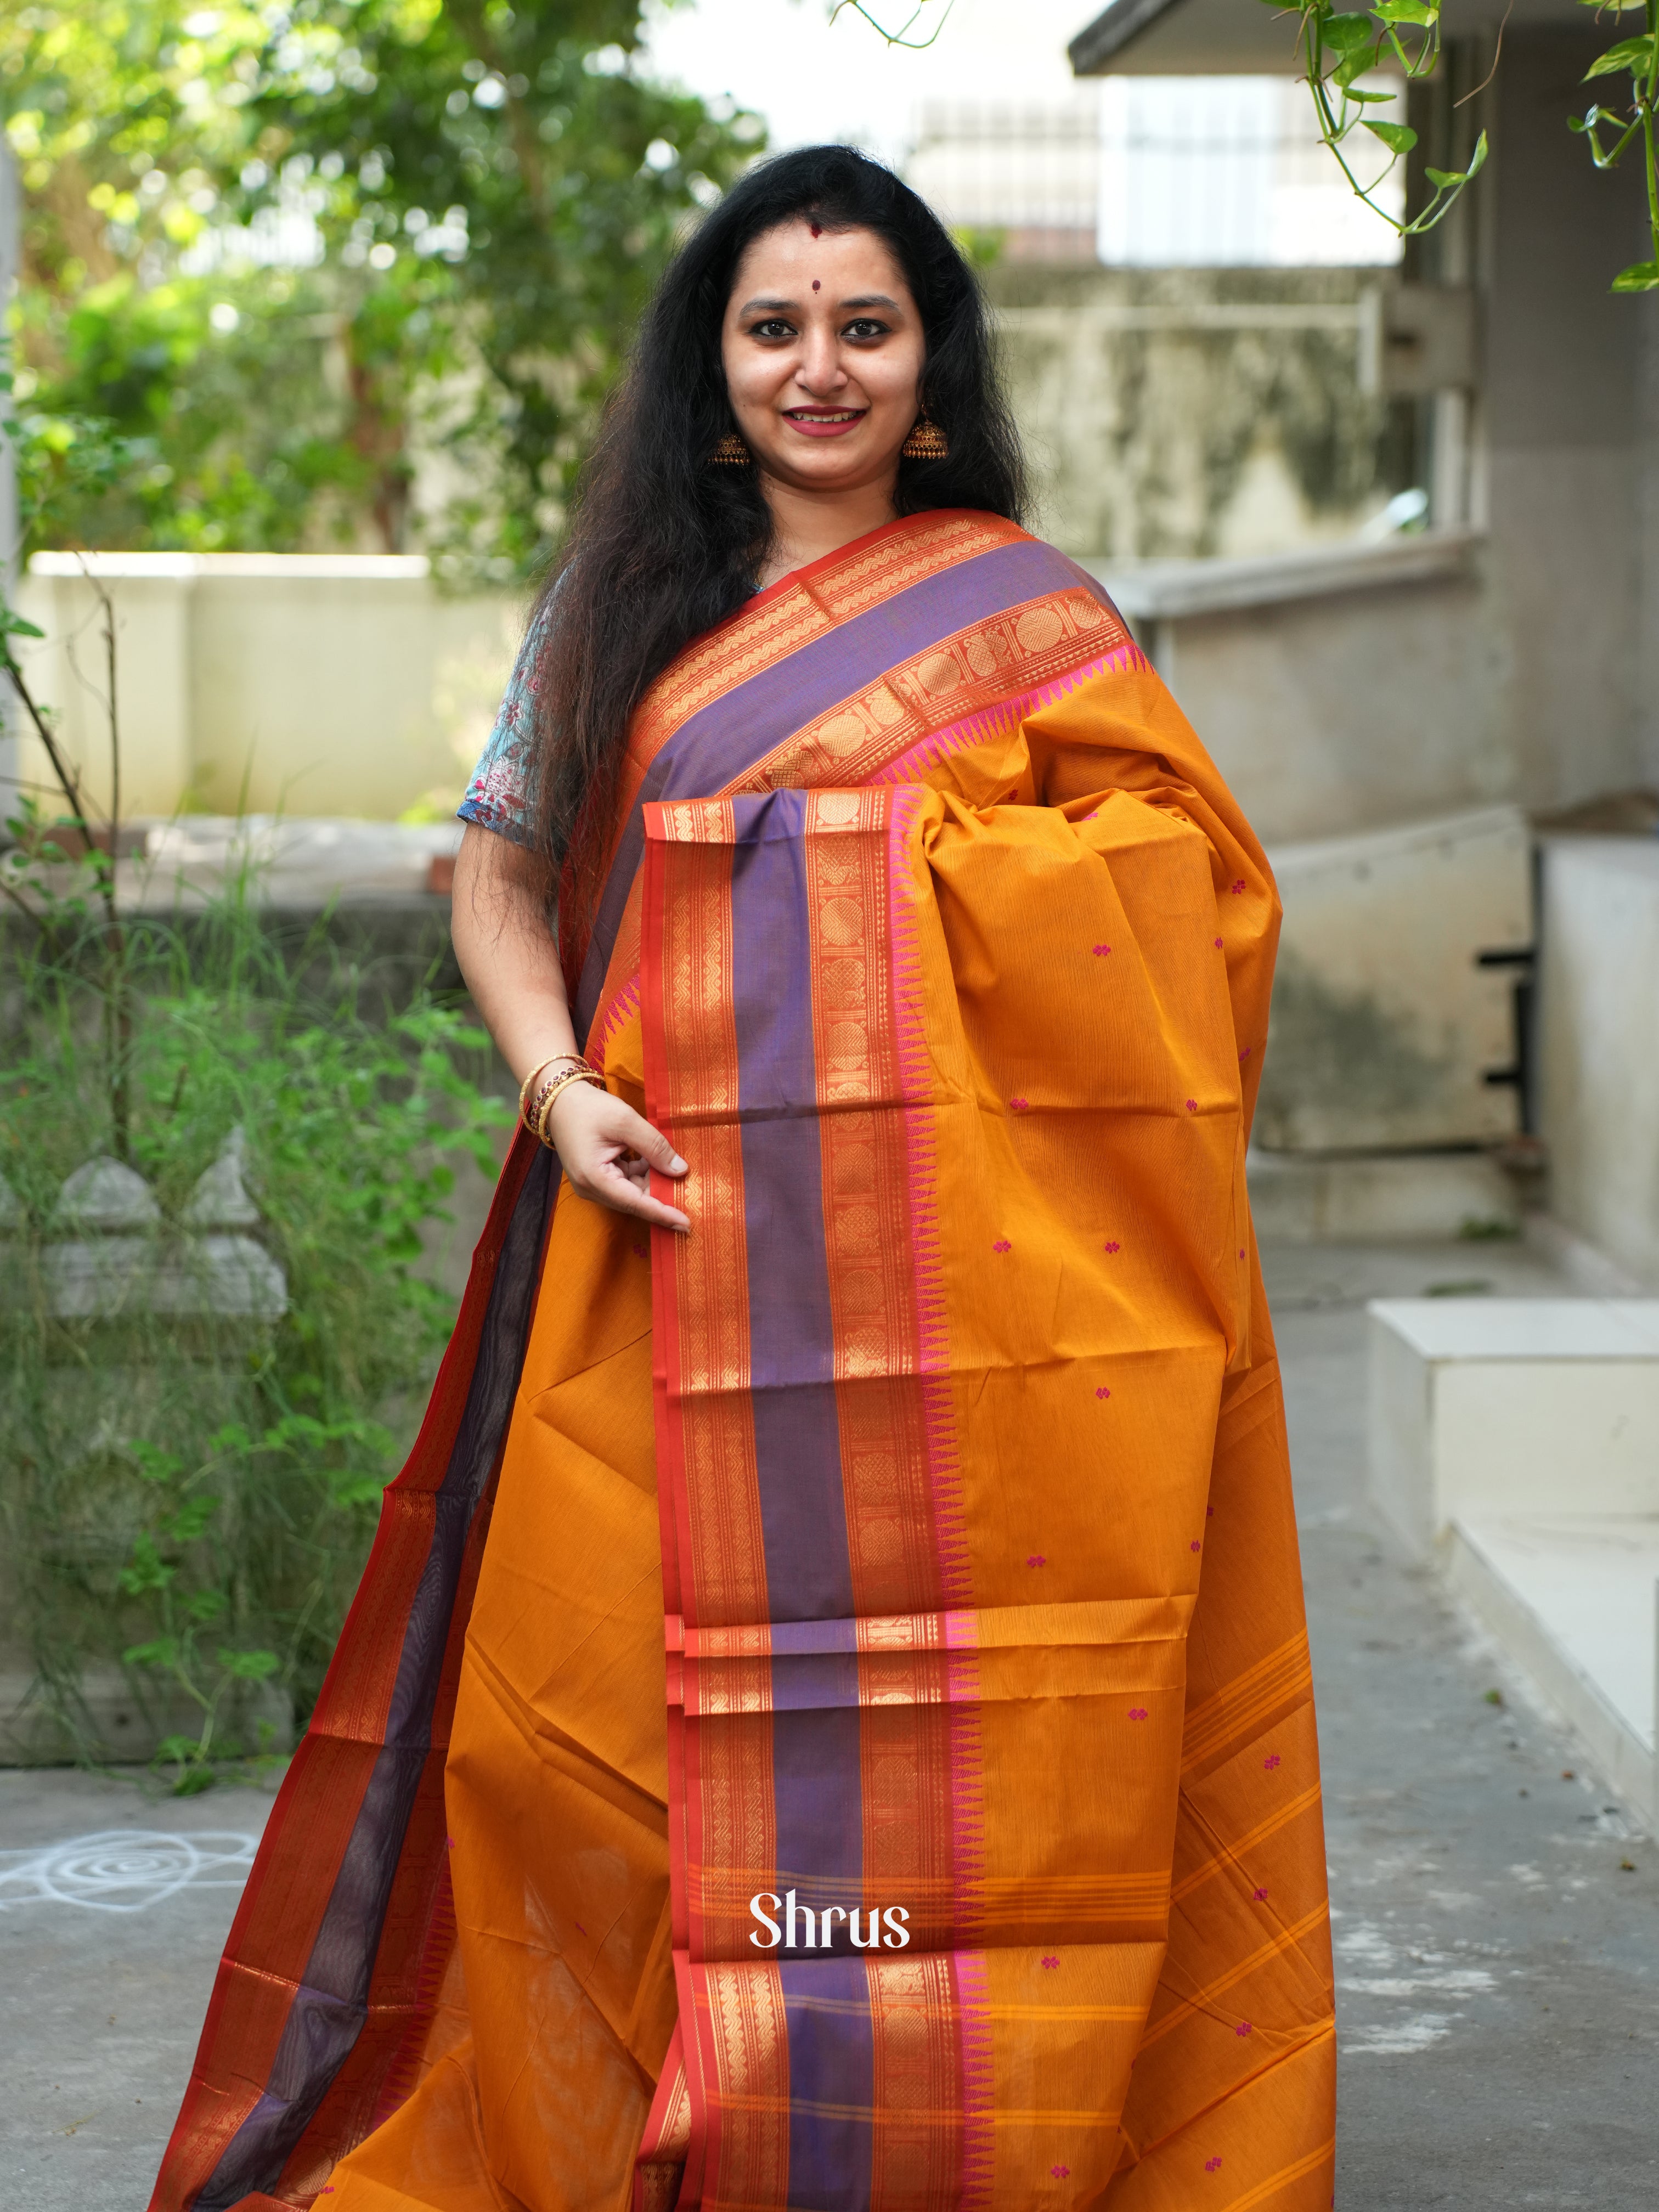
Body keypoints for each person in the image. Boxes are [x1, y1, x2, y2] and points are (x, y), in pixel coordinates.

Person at [151, 146, 1335, 2212]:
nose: (819, 369)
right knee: (579, 1754)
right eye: (773, 328)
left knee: (985, 1764)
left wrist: (867, 898)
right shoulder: (612, 616)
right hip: (657, 1248)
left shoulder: (1027, 620)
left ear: (929, 367)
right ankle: (646, 2127)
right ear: (714, 370)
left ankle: (963, 2131)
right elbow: (504, 876)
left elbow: (1193, 905)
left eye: (864, 327)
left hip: (968, 1312)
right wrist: (552, 1084)